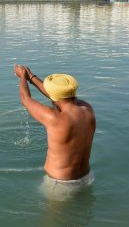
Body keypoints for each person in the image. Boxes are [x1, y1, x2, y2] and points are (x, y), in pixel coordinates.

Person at [14, 65, 96, 200]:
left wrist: (22, 76)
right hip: (87, 178)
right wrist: (31, 77)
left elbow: (26, 100)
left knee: (51, 221)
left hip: (60, 186)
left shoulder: (54, 118)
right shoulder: (87, 109)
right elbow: (58, 98)